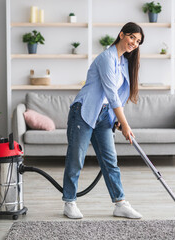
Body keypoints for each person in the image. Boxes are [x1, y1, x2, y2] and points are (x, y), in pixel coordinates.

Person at [62, 22, 145, 219]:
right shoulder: (106, 58)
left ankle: (120, 203)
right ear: (122, 34)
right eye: (132, 37)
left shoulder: (124, 61)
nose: (134, 43)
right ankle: (69, 202)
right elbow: (111, 93)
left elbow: (119, 97)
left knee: (110, 160)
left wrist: (117, 118)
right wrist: (125, 125)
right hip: (84, 111)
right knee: (76, 159)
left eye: (138, 41)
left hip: (104, 115)